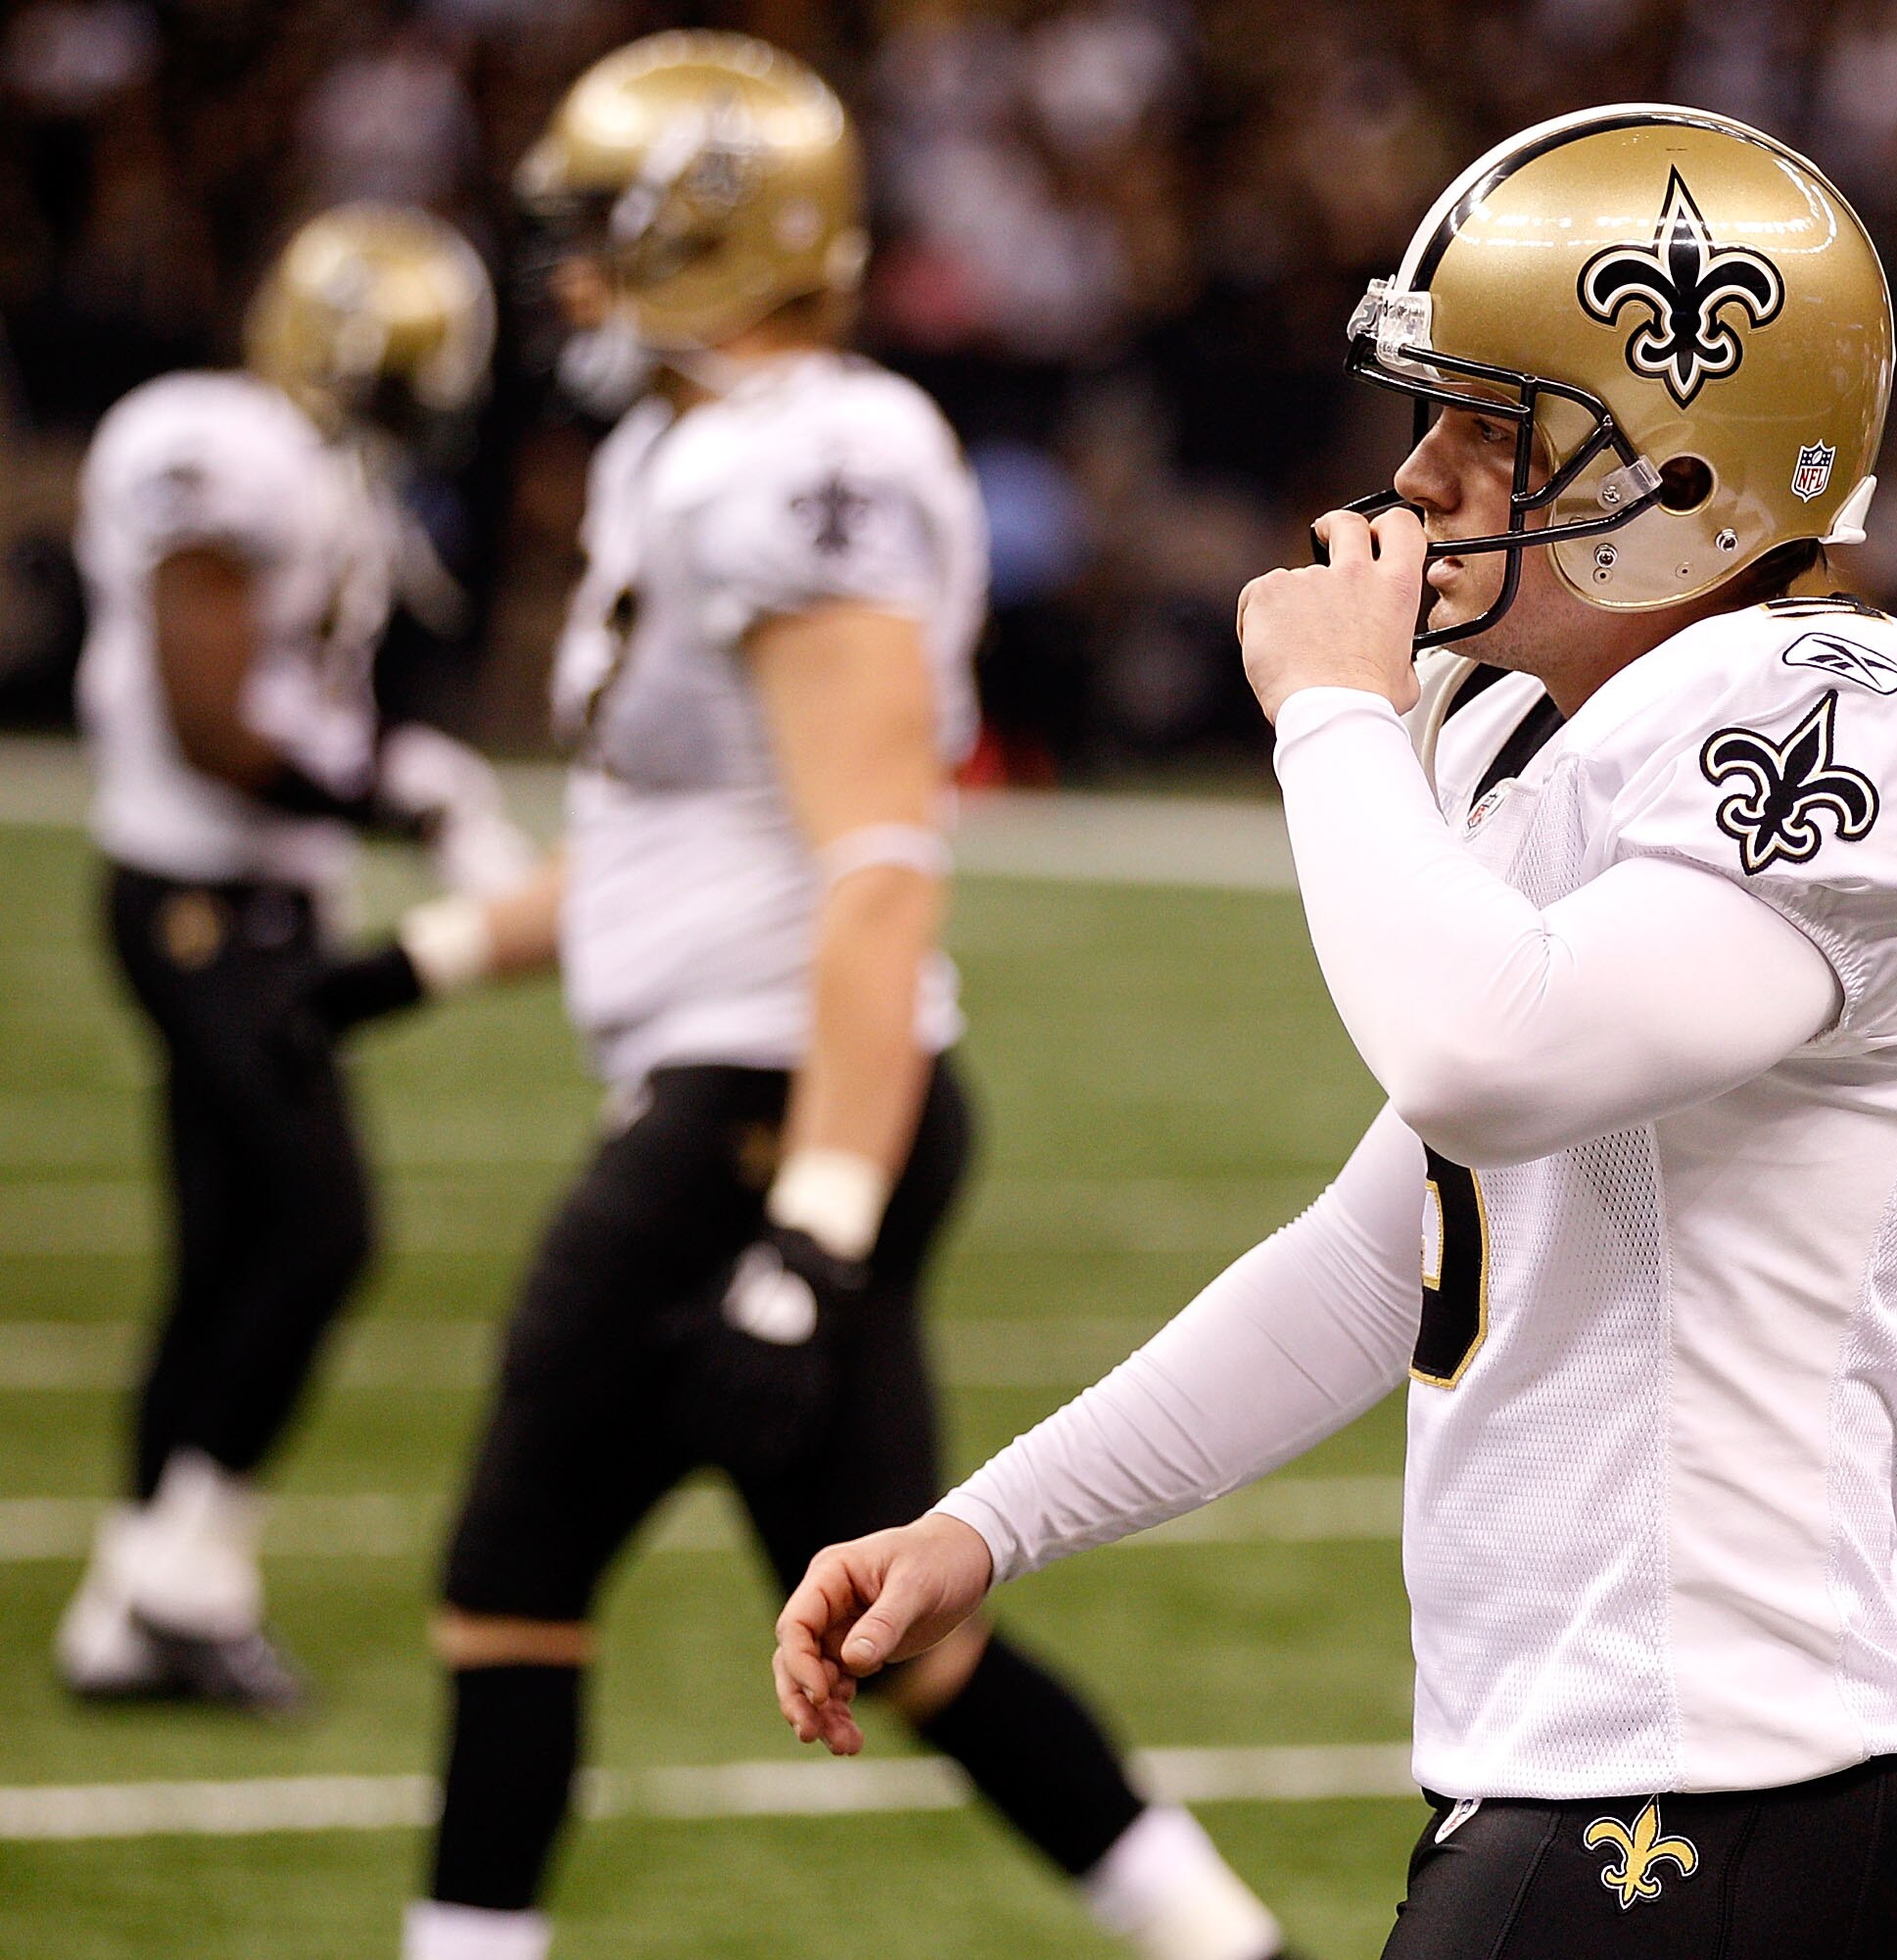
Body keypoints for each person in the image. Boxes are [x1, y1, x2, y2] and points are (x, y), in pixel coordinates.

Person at [779, 105, 1897, 1960]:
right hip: (1618, 1758)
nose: (1422, 476)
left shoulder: (1857, 703)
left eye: (1493, 430)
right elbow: (1380, 1260)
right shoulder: (1526, 731)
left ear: (1687, 466)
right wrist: (985, 1527)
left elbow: (1480, 1054)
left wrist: (1334, 717)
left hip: (1722, 1769)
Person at [377, 35, 1296, 1960]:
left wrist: (809, 1232)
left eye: (601, 230)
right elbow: (677, 847)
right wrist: (413, 961)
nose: (566, 274)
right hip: (769, 1096)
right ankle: (1226, 1938)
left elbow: (880, 867)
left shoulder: (799, 458)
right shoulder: (687, 451)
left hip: (773, 1108)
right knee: (907, 1628)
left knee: (512, 1574)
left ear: (707, 236)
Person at [56, 203, 530, 1711]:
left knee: (228, 1245)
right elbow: (213, 723)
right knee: (320, 1229)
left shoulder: (316, 468)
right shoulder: (222, 447)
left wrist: (390, 776)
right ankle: (185, 1583)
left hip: (255, 901)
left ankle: (130, 1603)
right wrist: (396, 793)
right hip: (201, 899)